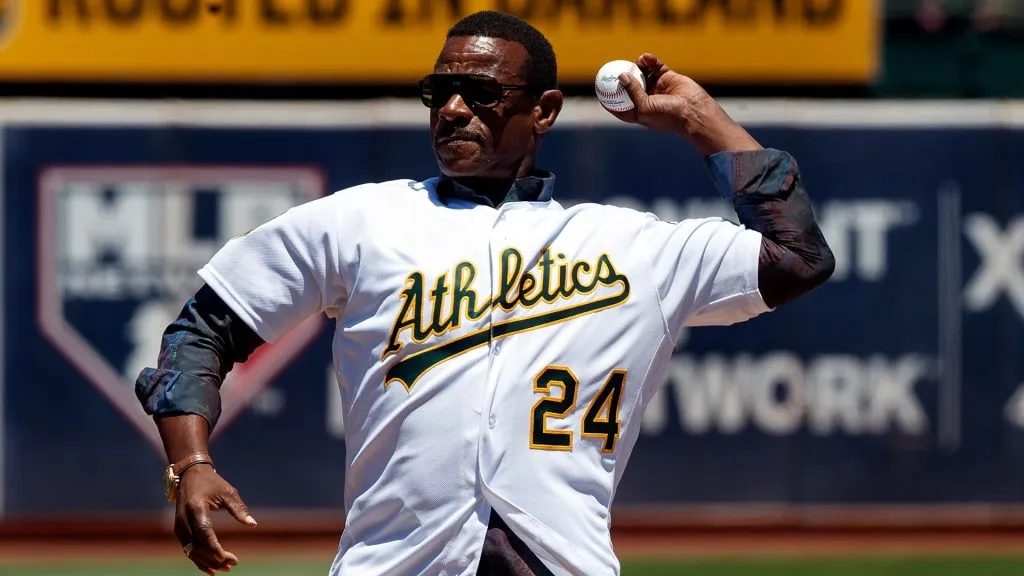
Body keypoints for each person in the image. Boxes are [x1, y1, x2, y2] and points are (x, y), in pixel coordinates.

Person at [135, 10, 835, 576]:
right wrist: (188, 464)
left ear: (546, 110)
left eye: (483, 94)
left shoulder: (636, 249)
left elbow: (799, 257)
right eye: (439, 93)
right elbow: (200, 334)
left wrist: (699, 120)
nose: (455, 109)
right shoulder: (359, 221)